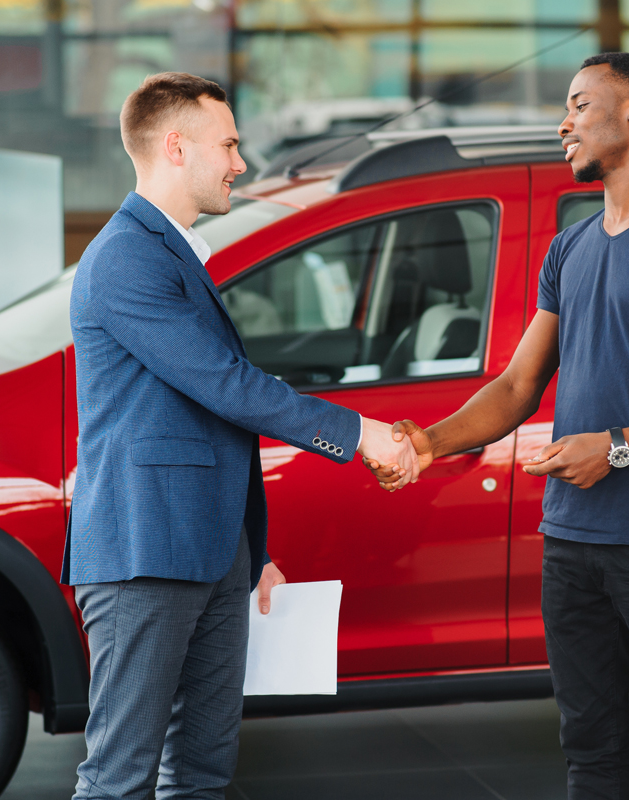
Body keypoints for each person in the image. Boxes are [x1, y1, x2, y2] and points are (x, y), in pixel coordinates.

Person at [367, 53, 629, 800]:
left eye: (581, 104)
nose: (564, 122)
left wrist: (615, 449)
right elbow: (517, 385)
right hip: (571, 541)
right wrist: (428, 442)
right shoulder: (569, 247)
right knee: (588, 744)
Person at [64, 72, 418, 800]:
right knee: (118, 778)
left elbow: (207, 412)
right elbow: (225, 384)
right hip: (144, 554)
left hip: (208, 553)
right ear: (174, 147)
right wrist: (360, 434)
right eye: (228, 144)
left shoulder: (169, 250)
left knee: (201, 772)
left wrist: (249, 553)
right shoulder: (128, 256)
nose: (240, 162)